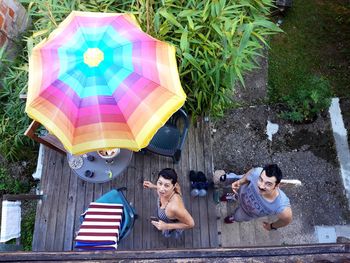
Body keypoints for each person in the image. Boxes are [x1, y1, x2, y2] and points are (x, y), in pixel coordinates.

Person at [218, 164, 292, 231]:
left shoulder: (280, 206)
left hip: (246, 212)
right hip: (241, 194)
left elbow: (286, 220)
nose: (261, 186)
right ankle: (234, 197)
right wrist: (240, 182)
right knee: (237, 195)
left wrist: (272, 226)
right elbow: (252, 172)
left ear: (277, 185)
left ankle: (234, 217)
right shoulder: (257, 172)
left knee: (238, 216)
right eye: (261, 179)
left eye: (268, 184)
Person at [143, 168, 194, 238]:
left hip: (171, 225)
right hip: (165, 216)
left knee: (169, 234)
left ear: (174, 186)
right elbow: (162, 188)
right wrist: (153, 186)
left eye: (166, 185)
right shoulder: (167, 191)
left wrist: (166, 226)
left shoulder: (174, 207)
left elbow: (191, 224)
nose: (161, 189)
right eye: (159, 183)